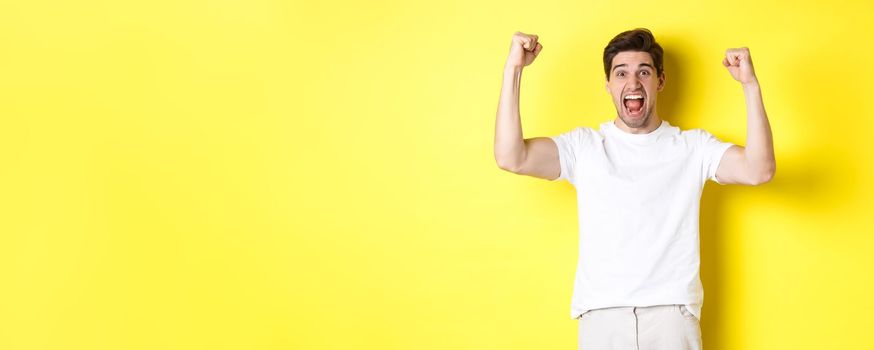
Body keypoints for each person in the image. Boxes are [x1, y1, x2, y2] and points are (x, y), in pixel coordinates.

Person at [493, 28, 775, 349]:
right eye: (621, 73)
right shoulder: (584, 147)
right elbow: (510, 156)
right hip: (602, 317)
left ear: (660, 81)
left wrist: (750, 86)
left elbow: (759, 170)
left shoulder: (693, 147)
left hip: (672, 316)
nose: (633, 82)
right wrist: (513, 69)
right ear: (609, 85)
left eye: (644, 71)